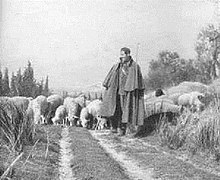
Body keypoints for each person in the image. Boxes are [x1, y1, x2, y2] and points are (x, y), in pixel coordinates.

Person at [100, 47, 145, 136]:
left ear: (128, 54)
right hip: (115, 91)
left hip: (127, 93)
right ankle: (114, 127)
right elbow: (108, 79)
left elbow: (138, 82)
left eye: (123, 55)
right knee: (114, 109)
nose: (121, 57)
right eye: (120, 55)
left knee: (125, 111)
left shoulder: (134, 66)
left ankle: (122, 129)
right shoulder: (117, 66)